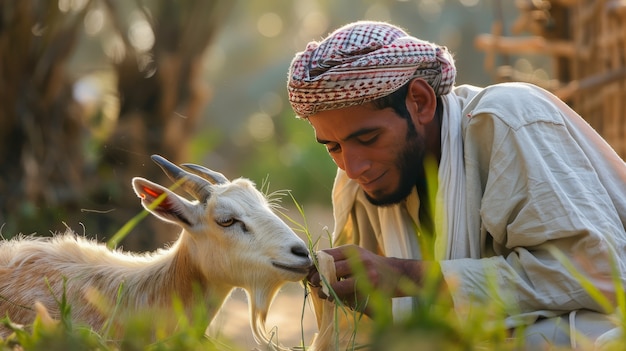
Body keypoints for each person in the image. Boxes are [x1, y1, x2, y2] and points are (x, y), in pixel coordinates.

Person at [286, 20, 626, 348]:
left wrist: (407, 278)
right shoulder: (363, 181)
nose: (352, 166)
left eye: (369, 137)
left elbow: (595, 275)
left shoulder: (506, 122)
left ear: (420, 102)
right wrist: (371, 304)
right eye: (333, 146)